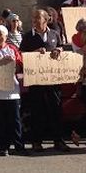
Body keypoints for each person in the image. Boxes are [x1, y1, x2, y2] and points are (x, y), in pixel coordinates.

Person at [19, 9, 69, 153]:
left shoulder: (54, 34)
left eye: (37, 19)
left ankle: (58, 141)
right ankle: (37, 142)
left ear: (46, 20)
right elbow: (21, 55)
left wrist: (59, 51)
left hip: (53, 80)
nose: (34, 21)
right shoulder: (28, 37)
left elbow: (61, 48)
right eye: (33, 18)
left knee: (56, 110)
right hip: (36, 81)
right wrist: (34, 53)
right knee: (37, 111)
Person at [0, 25, 27, 156]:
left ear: (6, 36)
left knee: (15, 120)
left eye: (0, 34)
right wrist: (2, 62)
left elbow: (20, 66)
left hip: (11, 91)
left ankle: (19, 146)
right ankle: (4, 147)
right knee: (0, 121)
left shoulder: (12, 49)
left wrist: (16, 64)